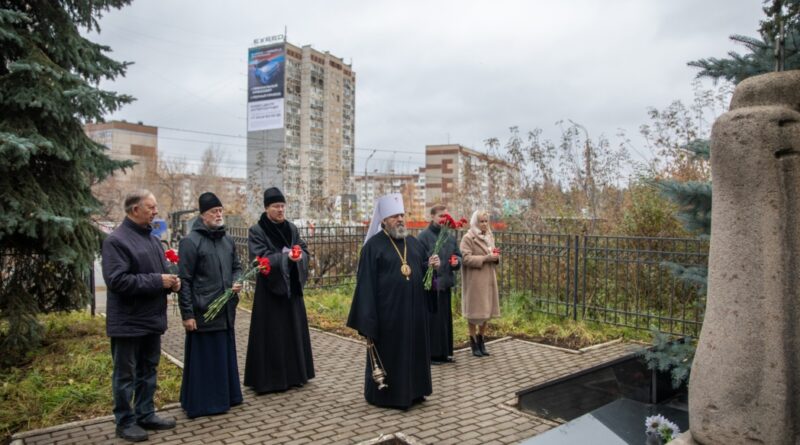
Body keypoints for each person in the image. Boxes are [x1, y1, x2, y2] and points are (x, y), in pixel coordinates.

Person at [347, 193, 440, 409]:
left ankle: (416, 392)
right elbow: (366, 285)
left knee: (415, 352)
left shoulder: (414, 244)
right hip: (388, 317)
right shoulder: (373, 247)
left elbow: (423, 274)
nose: (400, 219)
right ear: (383, 220)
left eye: (402, 215)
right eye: (394, 216)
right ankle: (388, 396)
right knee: (392, 355)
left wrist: (432, 268)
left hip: (415, 313)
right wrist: (368, 322)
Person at [102, 190, 179, 442]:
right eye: (151, 207)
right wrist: (159, 281)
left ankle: (146, 413)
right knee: (125, 375)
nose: (155, 211)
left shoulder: (152, 238)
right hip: (128, 321)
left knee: (148, 370)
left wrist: (172, 282)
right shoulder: (117, 241)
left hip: (151, 319)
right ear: (135, 210)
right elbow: (117, 281)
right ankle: (125, 422)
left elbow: (161, 273)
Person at [177, 192, 243, 418]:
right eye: (214, 211)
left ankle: (228, 397)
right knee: (205, 359)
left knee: (223, 356)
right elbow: (184, 280)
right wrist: (187, 314)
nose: (219, 215)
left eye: (220, 211)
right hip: (203, 310)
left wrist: (237, 281)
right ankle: (203, 403)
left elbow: (237, 267)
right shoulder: (190, 242)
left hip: (225, 311)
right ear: (202, 215)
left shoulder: (227, 240)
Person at [244, 187, 315, 393]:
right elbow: (258, 258)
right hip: (270, 293)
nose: (281, 210)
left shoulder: (291, 228)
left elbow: (304, 249)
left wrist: (299, 255)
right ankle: (271, 379)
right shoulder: (257, 230)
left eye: (283, 206)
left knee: (292, 332)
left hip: (291, 290)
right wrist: (285, 258)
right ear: (267, 208)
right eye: (276, 206)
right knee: (272, 335)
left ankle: (295, 375)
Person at [417, 204, 462, 364]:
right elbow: (417, 260)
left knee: (444, 321)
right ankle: (430, 355)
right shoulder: (423, 237)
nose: (444, 219)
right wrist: (428, 264)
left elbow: (457, 256)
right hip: (431, 286)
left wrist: (456, 261)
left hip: (445, 284)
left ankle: (445, 352)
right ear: (432, 217)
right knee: (432, 321)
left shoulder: (449, 237)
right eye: (441, 216)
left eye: (446, 216)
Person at [459, 209, 500, 357]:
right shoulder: (468, 237)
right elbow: (465, 258)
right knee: (474, 313)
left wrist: (495, 257)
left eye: (486, 221)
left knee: (486, 311)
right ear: (475, 222)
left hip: (488, 278)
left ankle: (482, 340)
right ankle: (473, 341)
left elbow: (493, 253)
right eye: (481, 221)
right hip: (475, 281)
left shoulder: (489, 236)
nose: (484, 224)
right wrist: (485, 259)